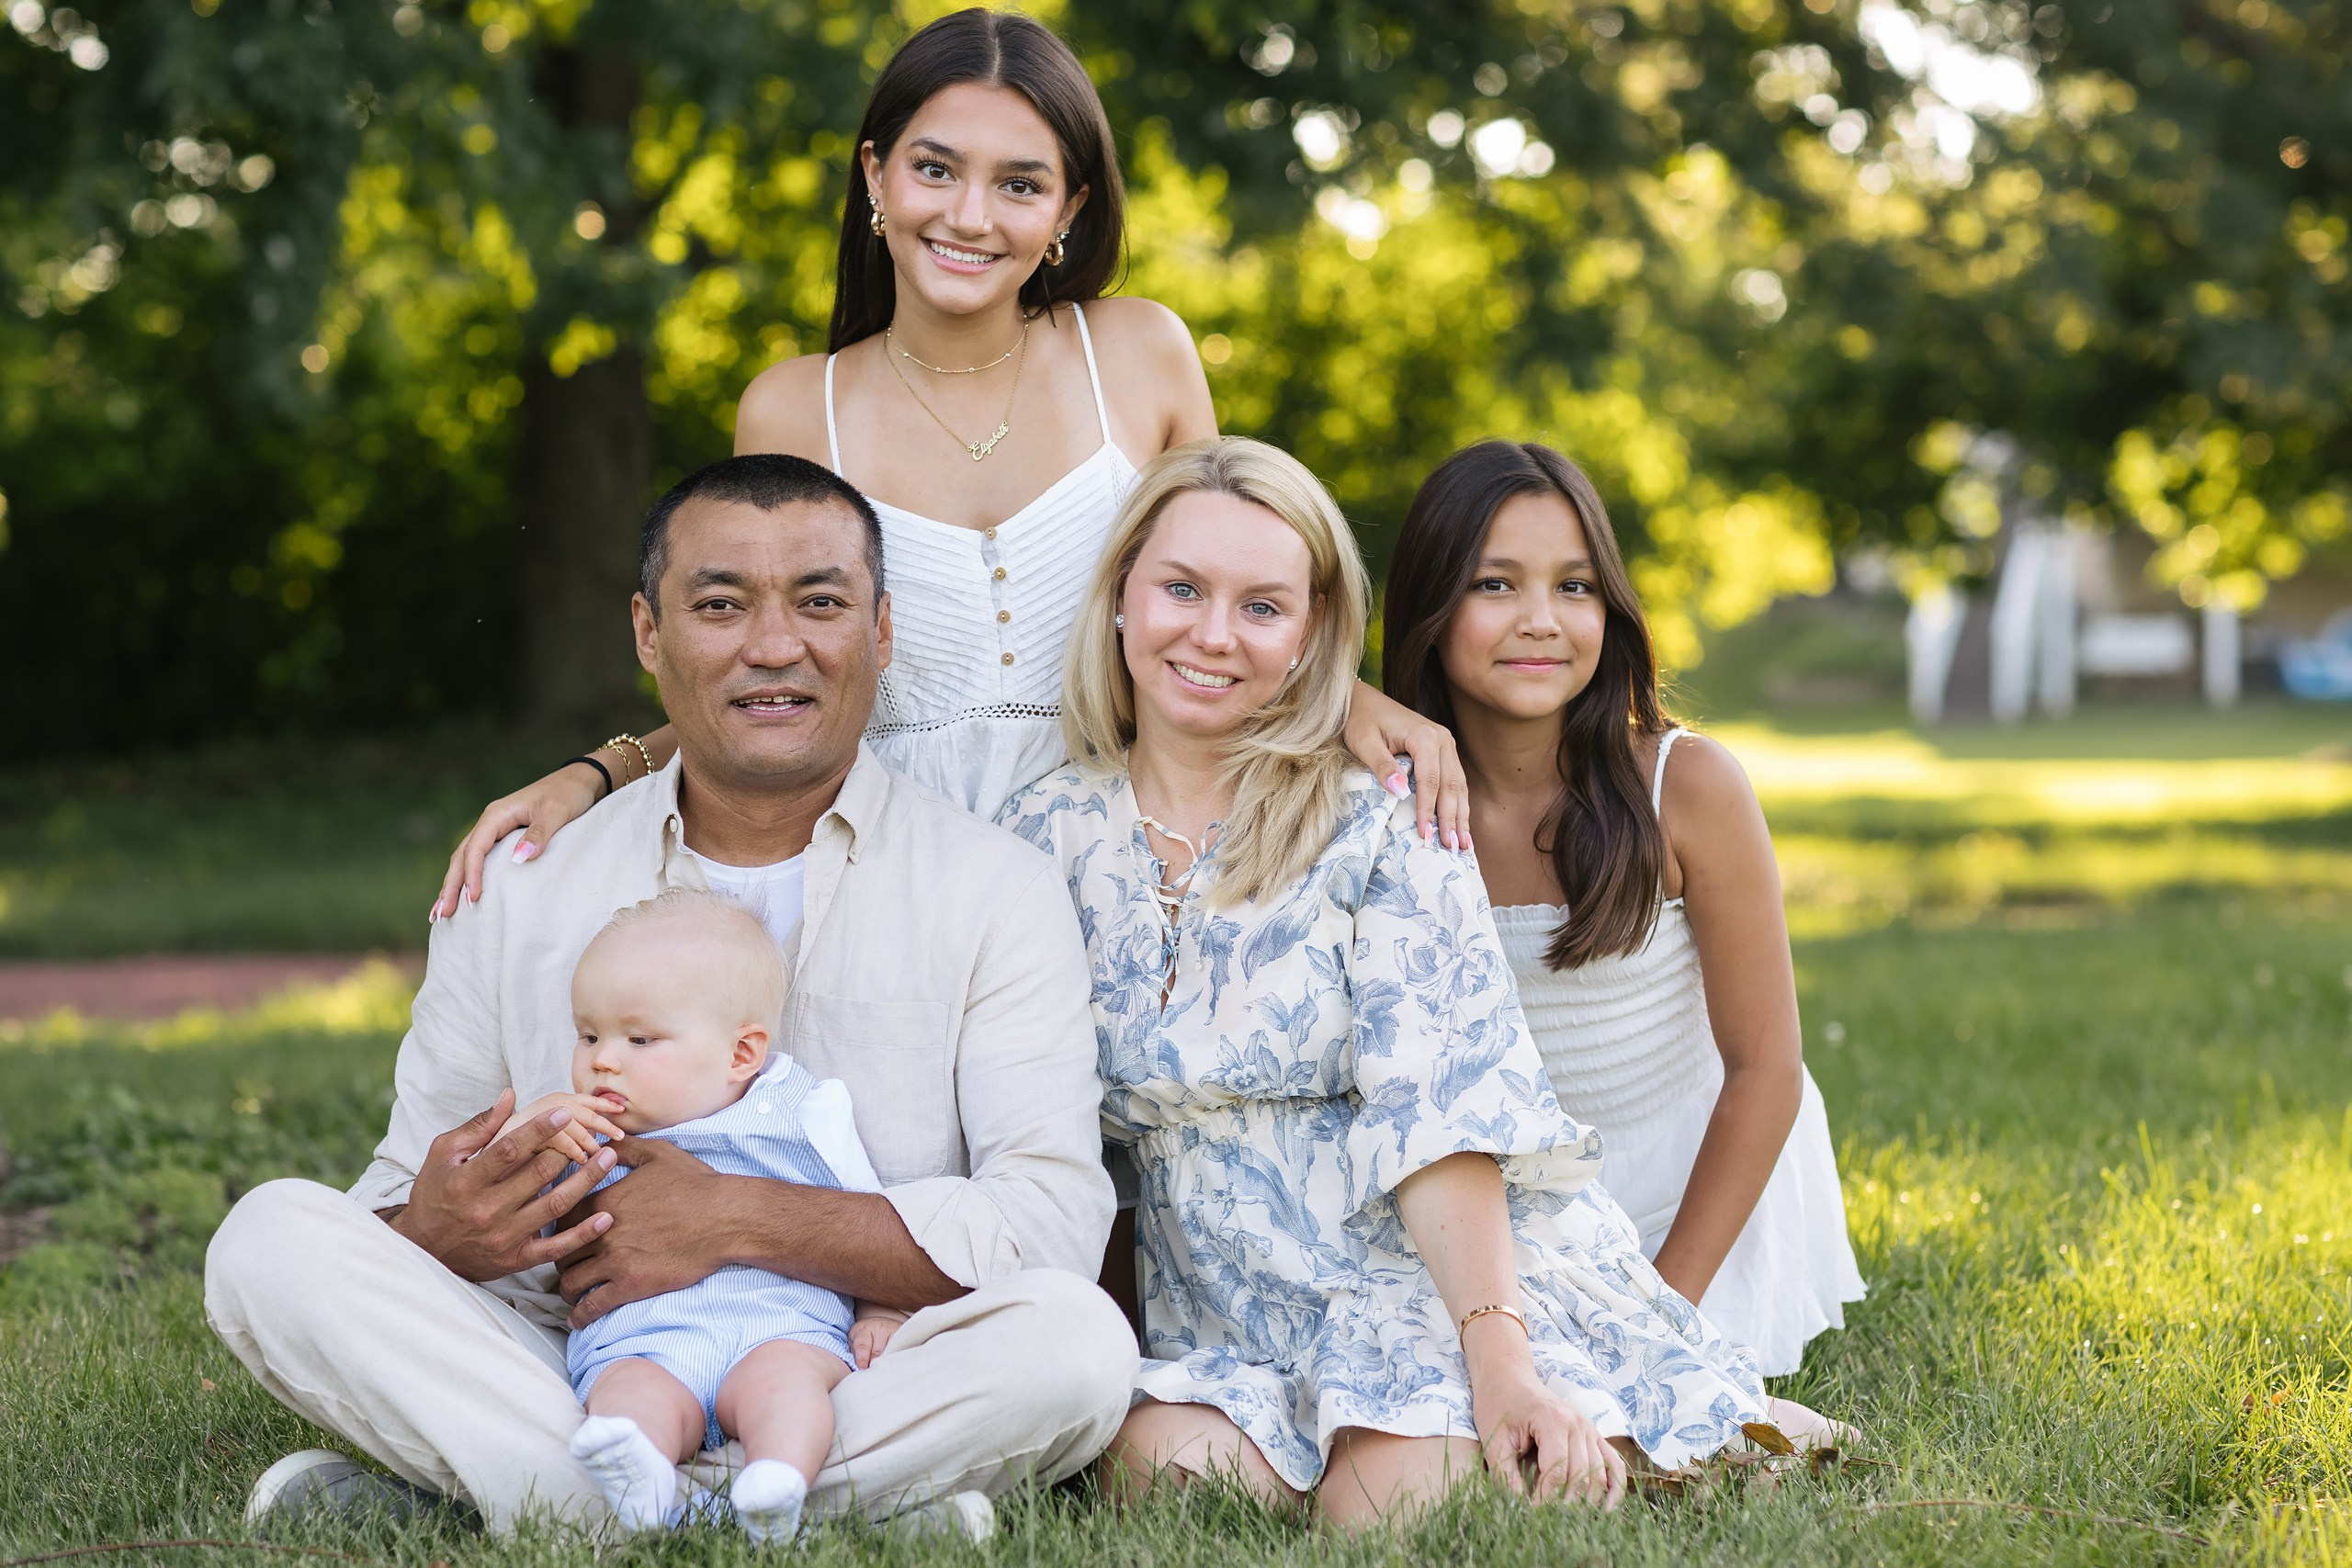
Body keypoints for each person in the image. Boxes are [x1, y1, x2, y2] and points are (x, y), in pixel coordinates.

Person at [204, 453, 1134, 1539]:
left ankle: (541, 1497)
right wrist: (441, 1229)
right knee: (268, 1241)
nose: (774, 645)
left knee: (1075, 1341)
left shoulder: (993, 888)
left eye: (820, 603)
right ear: (649, 633)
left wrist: (734, 1218)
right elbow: (400, 1200)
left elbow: (1052, 1223)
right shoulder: (523, 884)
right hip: (579, 1357)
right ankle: (808, 1508)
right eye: (720, 603)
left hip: (848, 1361)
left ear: (881, 634)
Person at [431, 6, 1468, 925]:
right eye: (936, 168)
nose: (970, 216)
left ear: (1067, 211)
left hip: (1146, 867)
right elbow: (771, 676)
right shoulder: (797, 408)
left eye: (1019, 184)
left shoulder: (1139, 356)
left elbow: (1230, 610)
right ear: (876, 174)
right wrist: (598, 772)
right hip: (896, 892)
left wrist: (1357, 705)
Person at [999, 437, 1774, 1529]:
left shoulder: (1380, 814)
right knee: (1147, 1465)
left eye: (1261, 607)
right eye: (1180, 589)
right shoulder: (1041, 833)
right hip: (1222, 1315)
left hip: (1419, 1282)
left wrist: (1500, 1363)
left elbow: (1440, 1110)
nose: (1213, 636)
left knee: (1384, 1507)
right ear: (1120, 599)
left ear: (1311, 633)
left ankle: (1530, 1414)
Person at [1379, 441, 1866, 1376]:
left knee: (1628, 1417)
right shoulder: (1381, 803)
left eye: (1574, 587)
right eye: (1493, 585)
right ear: (1430, 608)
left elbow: (1766, 1068)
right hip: (1490, 1208)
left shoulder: (1685, 786)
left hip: (1687, 1193)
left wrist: (1659, 1312)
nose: (1539, 622)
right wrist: (1358, 709)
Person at [514, 889, 905, 1544]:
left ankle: (777, 1479)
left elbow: (866, 1212)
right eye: (589, 1034)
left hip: (780, 1329)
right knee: (631, 1395)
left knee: (788, 1392)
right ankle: (641, 1473)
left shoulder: (805, 1108)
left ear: (741, 1054)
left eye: (640, 1038)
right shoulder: (578, 1133)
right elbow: (514, 1223)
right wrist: (538, 1135)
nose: (603, 1058)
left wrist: (882, 1310)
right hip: (646, 1337)